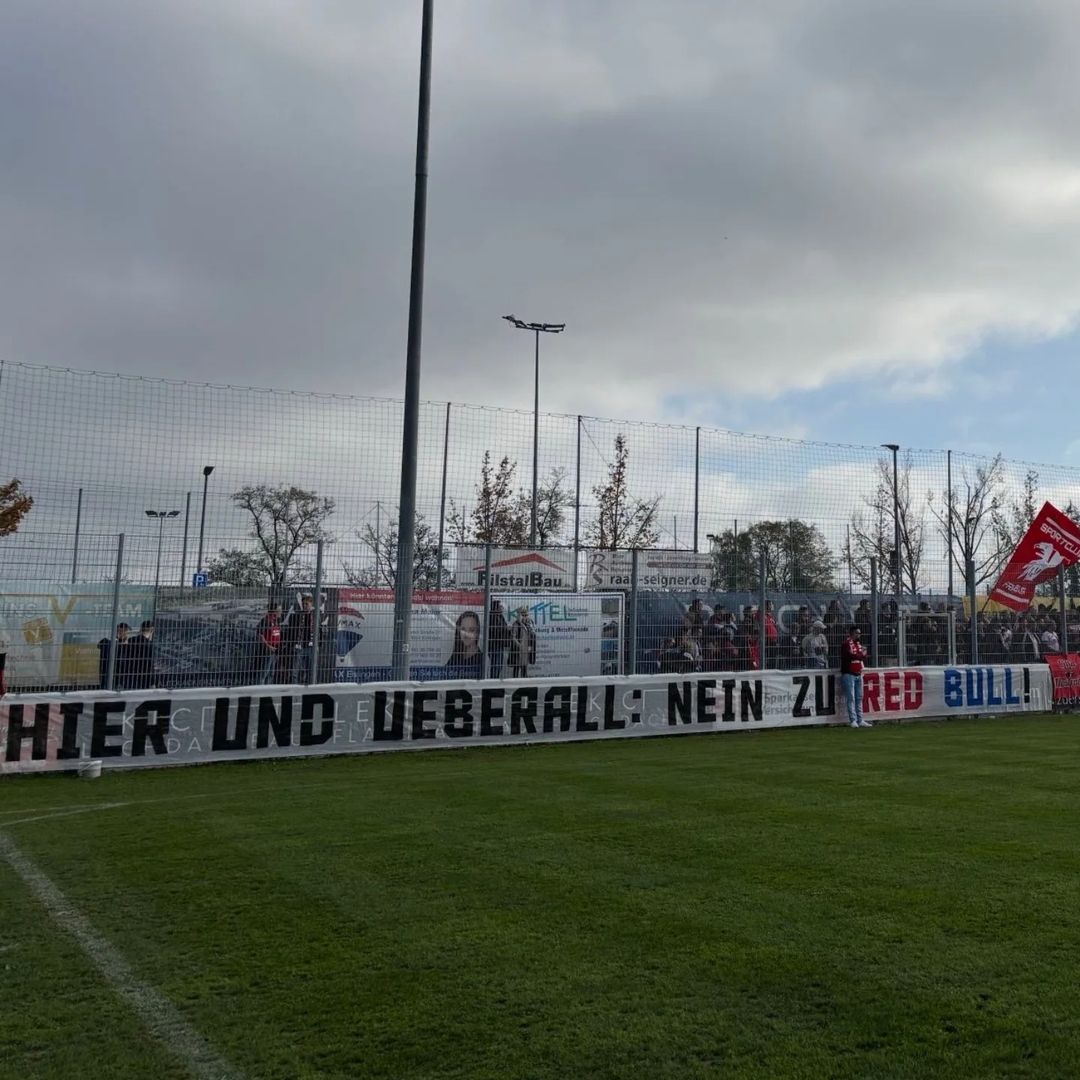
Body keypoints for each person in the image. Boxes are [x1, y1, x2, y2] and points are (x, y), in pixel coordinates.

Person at [841, 624, 871, 728]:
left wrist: (862, 655)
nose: (859, 635)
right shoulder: (846, 644)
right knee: (851, 698)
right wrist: (860, 655)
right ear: (852, 633)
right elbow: (850, 655)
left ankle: (860, 719)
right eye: (857, 633)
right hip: (849, 674)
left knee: (859, 698)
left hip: (858, 673)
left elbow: (863, 655)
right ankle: (853, 720)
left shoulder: (858, 644)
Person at [445, 610, 484, 679]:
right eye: (463, 629)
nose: (466, 634)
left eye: (471, 630)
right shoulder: (456, 655)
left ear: (477, 632)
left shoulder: (482, 660)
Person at [288, 594, 316, 684]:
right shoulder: (297, 616)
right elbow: (292, 631)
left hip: (311, 647)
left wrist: (318, 645)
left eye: (306, 604)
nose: (304, 606)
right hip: (299, 646)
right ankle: (294, 688)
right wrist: (293, 643)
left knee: (310, 670)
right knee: (295, 671)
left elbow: (319, 631)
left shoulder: (315, 617)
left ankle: (309, 689)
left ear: (311, 605)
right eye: (303, 604)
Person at [98, 622, 130, 689]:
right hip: (118, 681)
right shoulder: (119, 647)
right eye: (127, 633)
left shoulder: (106, 643)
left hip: (105, 679)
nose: (127, 635)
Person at [255, 602, 282, 683]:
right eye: (279, 610)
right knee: (264, 672)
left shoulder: (276, 620)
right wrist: (268, 646)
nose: (281, 612)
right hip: (268, 650)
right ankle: (260, 690)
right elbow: (260, 634)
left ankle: (268, 689)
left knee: (271, 673)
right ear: (274, 611)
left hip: (275, 650)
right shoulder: (266, 620)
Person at [125, 621, 155, 691]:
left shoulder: (131, 640)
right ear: (152, 630)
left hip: (129, 675)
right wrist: (153, 681)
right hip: (143, 679)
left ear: (141, 629)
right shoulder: (149, 645)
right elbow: (149, 664)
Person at [508, 606, 537, 678]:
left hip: (526, 650)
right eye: (523, 615)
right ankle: (515, 684)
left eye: (526, 615)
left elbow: (532, 636)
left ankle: (524, 685)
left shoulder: (530, 624)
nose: (525, 617)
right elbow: (513, 637)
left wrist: (530, 646)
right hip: (518, 650)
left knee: (524, 669)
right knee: (516, 668)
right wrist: (519, 645)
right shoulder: (516, 624)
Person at [486, 600, 511, 678]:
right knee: (496, 666)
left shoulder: (500, 617)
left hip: (500, 644)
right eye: (500, 606)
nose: (502, 608)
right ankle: (493, 682)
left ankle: (495, 680)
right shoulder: (491, 617)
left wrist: (507, 628)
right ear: (495, 608)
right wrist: (505, 628)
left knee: (499, 666)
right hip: (493, 645)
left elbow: (504, 627)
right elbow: (494, 630)